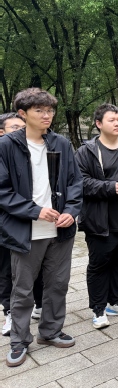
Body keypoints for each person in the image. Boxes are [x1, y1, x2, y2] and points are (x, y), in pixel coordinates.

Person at [0, 88, 83, 367]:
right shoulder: (7, 146)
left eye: (50, 110)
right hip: (26, 231)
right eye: (39, 110)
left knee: (58, 284)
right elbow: (3, 191)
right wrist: (35, 211)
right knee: (23, 290)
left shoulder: (61, 143)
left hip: (60, 230)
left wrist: (71, 211)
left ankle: (50, 331)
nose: (47, 115)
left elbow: (74, 182)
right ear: (23, 114)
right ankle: (19, 340)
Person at [75, 104, 118, 330]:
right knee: (98, 265)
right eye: (112, 120)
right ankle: (98, 308)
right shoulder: (87, 151)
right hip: (100, 221)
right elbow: (80, 182)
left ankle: (115, 301)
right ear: (98, 124)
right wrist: (108, 187)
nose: (117, 123)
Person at [0, 113, 45, 337]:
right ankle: (10, 312)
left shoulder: (35, 150)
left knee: (36, 270)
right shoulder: (4, 152)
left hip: (34, 222)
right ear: (2, 132)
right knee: (7, 271)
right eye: (15, 127)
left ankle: (39, 305)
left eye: (22, 127)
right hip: (8, 224)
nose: (21, 131)